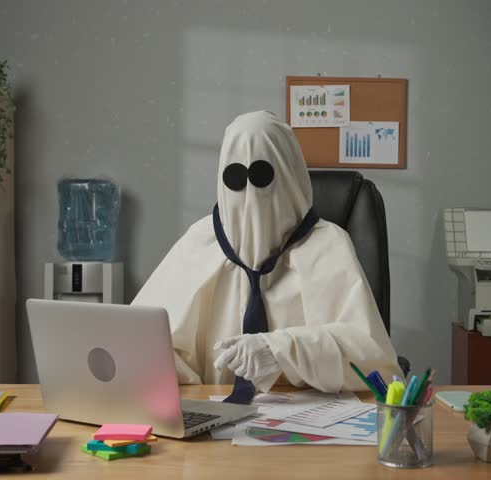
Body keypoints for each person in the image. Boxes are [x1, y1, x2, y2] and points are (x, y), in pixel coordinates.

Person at [132, 111, 399, 403]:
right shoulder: (200, 241)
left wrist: (282, 351)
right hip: (212, 422)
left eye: (262, 176)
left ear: (289, 174)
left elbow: (375, 361)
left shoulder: (328, 245)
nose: (249, 197)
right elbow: (141, 341)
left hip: (307, 422)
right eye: (235, 177)